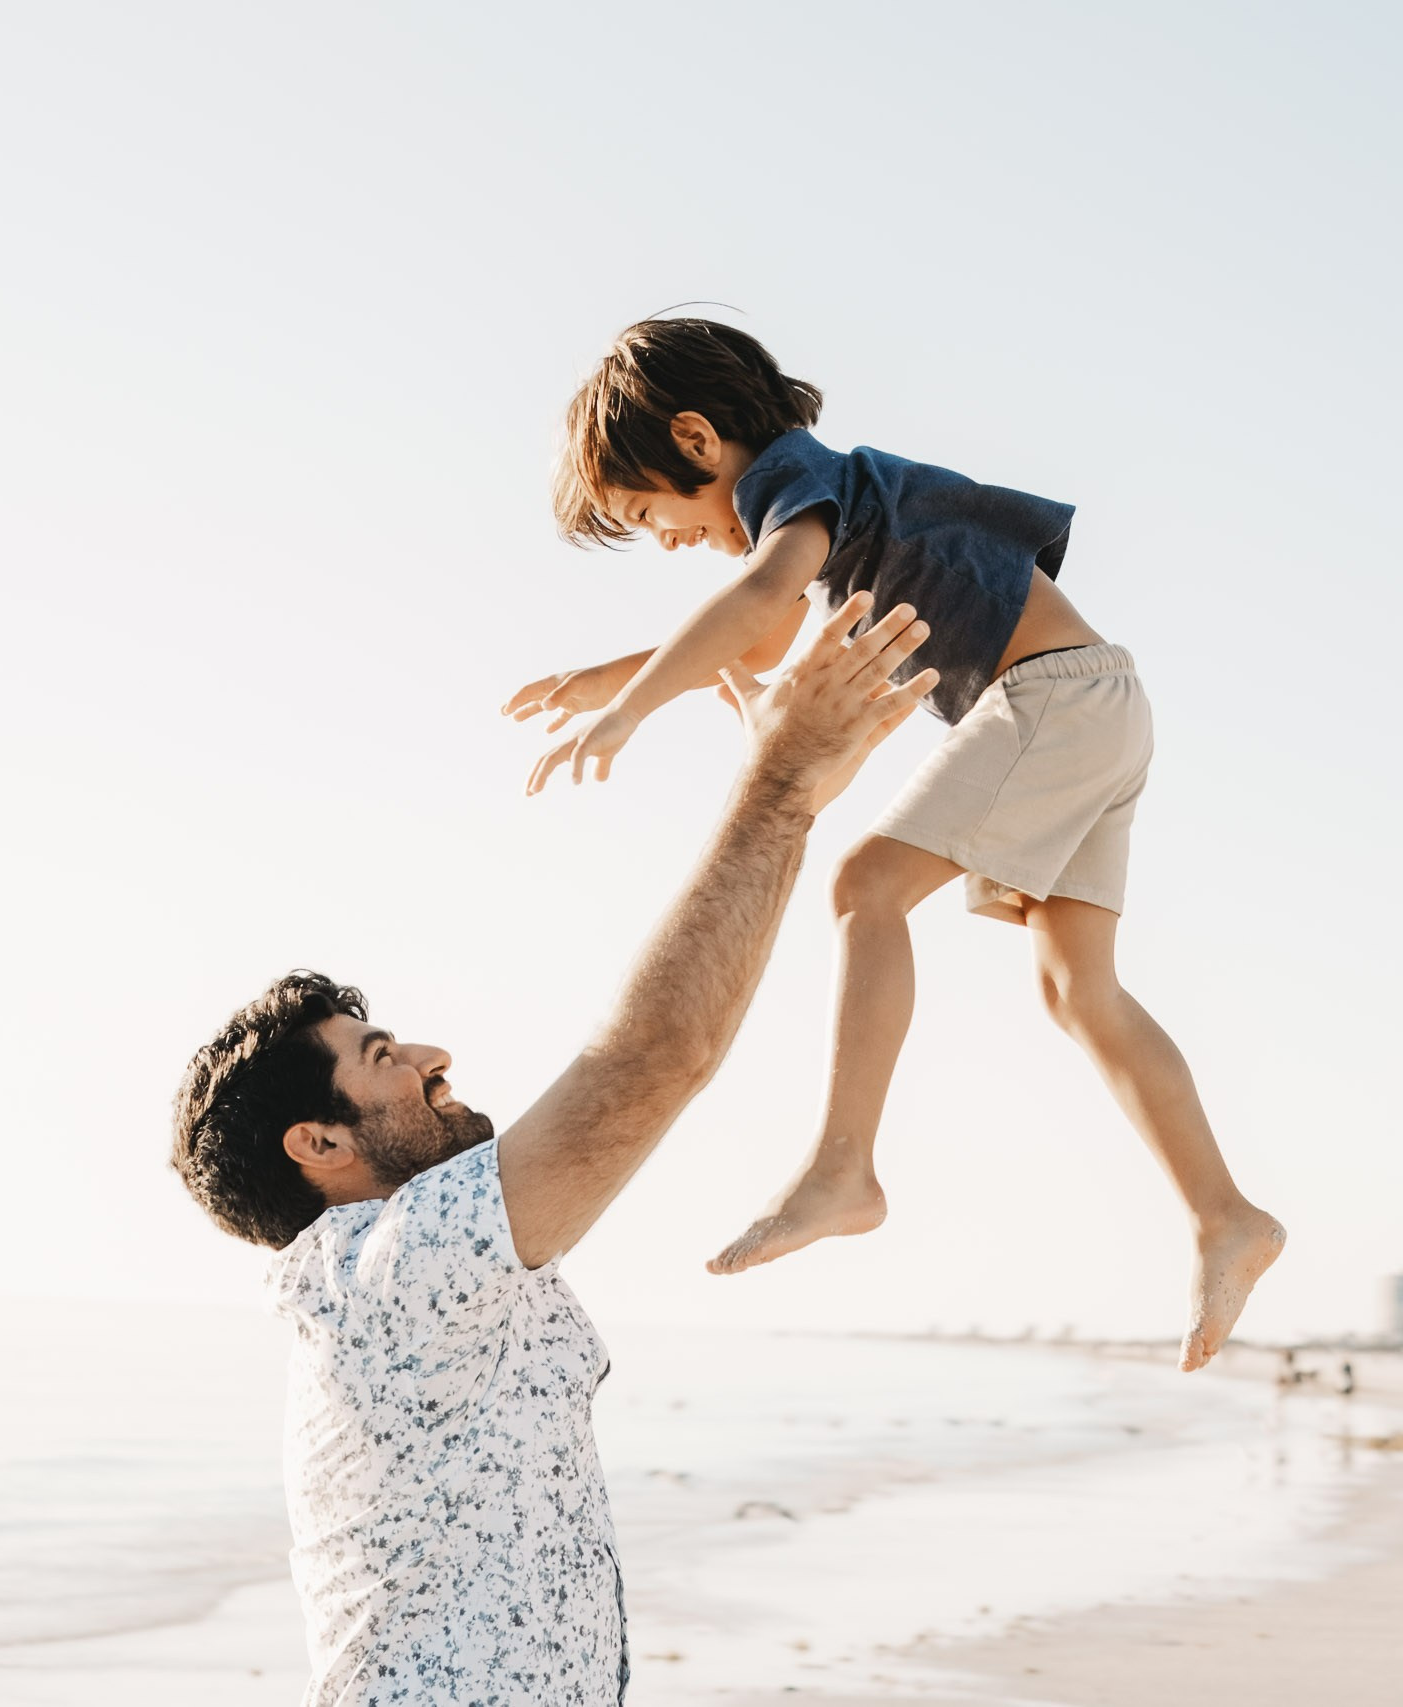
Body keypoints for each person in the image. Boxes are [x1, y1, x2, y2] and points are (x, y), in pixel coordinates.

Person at [172, 598, 933, 1705]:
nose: (433, 1052)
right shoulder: (385, 1277)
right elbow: (654, 1057)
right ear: (319, 1141)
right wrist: (781, 785)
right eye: (382, 1055)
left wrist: (798, 794)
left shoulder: (421, 1268)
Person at [505, 316, 1283, 1373]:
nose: (668, 543)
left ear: (696, 441)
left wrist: (630, 709)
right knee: (1075, 992)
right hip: (1101, 701)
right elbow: (768, 638)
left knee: (866, 885)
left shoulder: (789, 481)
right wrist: (613, 678)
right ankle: (1223, 1215)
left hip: (1048, 702)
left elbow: (757, 603)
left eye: (652, 516)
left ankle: (843, 1169)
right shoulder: (822, 506)